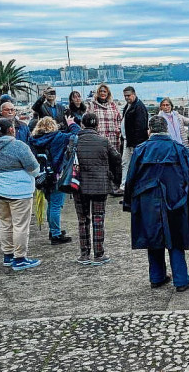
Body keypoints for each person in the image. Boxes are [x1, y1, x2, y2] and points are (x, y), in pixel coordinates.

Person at [124, 115, 189, 293]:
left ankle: (157, 277)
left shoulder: (141, 150)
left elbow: (130, 179)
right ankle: (181, 279)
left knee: (153, 237)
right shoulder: (178, 149)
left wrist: (128, 203)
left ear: (149, 130)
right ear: (166, 129)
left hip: (147, 200)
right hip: (176, 199)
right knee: (176, 238)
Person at [0, 119, 42, 270]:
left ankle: (8, 255)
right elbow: (34, 169)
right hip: (19, 192)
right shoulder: (18, 146)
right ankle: (20, 257)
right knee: (20, 226)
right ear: (11, 130)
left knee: (5, 223)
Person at [73, 113, 122, 265]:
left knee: (83, 220)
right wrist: (115, 179)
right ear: (97, 125)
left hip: (78, 185)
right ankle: (99, 254)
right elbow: (117, 159)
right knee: (98, 219)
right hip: (100, 185)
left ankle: (84, 254)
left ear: (82, 124)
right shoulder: (103, 141)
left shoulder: (74, 141)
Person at [29, 115, 80, 244]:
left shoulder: (33, 140)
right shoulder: (58, 137)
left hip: (42, 176)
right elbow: (78, 134)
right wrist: (71, 123)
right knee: (56, 205)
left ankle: (53, 230)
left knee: (51, 204)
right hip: (56, 175)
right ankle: (56, 234)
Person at [121, 86, 149, 192]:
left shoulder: (139, 107)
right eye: (125, 96)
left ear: (134, 94)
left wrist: (136, 145)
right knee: (125, 162)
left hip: (134, 142)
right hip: (127, 140)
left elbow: (141, 127)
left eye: (128, 95)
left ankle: (132, 185)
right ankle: (124, 185)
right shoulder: (129, 106)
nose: (127, 98)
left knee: (133, 163)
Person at [87, 83, 122, 153]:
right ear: (97, 93)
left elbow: (119, 119)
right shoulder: (92, 105)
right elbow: (86, 121)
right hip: (98, 137)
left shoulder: (113, 105)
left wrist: (118, 130)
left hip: (113, 138)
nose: (102, 93)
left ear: (108, 93)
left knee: (114, 159)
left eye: (104, 91)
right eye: (101, 91)